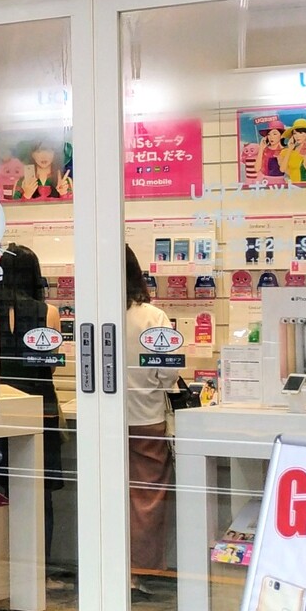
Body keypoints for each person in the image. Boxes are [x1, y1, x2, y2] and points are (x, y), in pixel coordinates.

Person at [0, 244, 62, 549]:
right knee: (39, 493)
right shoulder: (48, 313)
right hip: (39, 409)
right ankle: (40, 561)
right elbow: (50, 366)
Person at [124, 245, 176, 593]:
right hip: (147, 416)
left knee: (110, 495)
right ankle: (140, 571)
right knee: (147, 500)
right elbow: (167, 374)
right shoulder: (154, 317)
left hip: (105, 421)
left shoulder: (94, 314)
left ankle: (112, 566)